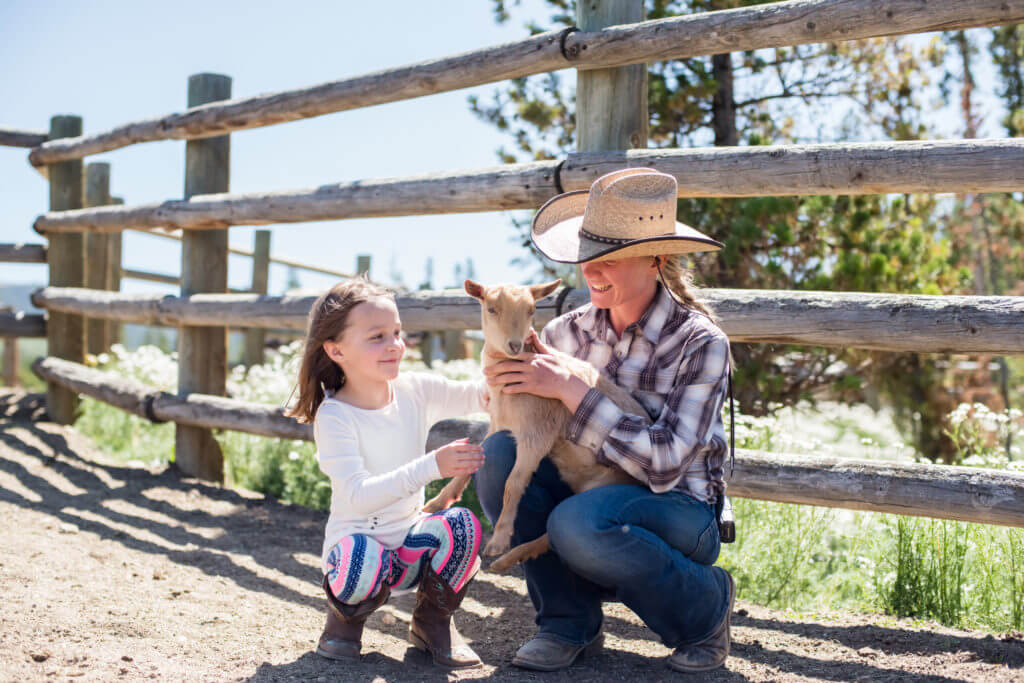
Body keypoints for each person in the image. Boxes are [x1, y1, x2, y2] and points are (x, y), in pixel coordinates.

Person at [475, 167, 736, 673]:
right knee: (498, 456)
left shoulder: (700, 342)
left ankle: (705, 609)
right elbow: (534, 422)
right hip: (590, 488)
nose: (593, 270)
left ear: (656, 259)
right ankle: (568, 623)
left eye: (612, 258)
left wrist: (572, 391)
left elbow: (664, 466)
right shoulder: (564, 332)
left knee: (578, 522)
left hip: (681, 507)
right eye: (588, 255)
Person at [286, 278, 488, 669]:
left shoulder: (416, 390)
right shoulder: (335, 416)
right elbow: (358, 495)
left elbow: (481, 396)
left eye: (397, 332)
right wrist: (432, 467)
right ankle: (343, 625)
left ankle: (432, 624)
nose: (395, 344)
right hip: (356, 555)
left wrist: (510, 357)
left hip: (410, 546)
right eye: (377, 336)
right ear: (336, 349)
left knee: (461, 526)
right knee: (362, 556)